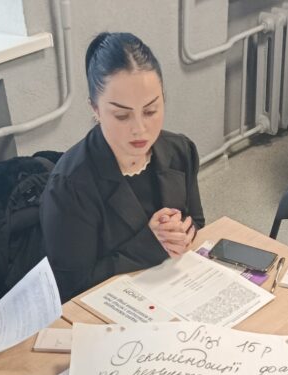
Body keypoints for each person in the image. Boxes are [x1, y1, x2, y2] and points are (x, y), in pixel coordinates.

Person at [41, 33, 205, 302]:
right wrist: (151, 244)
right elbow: (71, 287)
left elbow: (196, 222)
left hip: (175, 291)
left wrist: (183, 233)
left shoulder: (180, 151)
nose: (140, 129)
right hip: (110, 307)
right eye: (121, 115)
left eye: (150, 111)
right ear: (95, 109)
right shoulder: (70, 185)